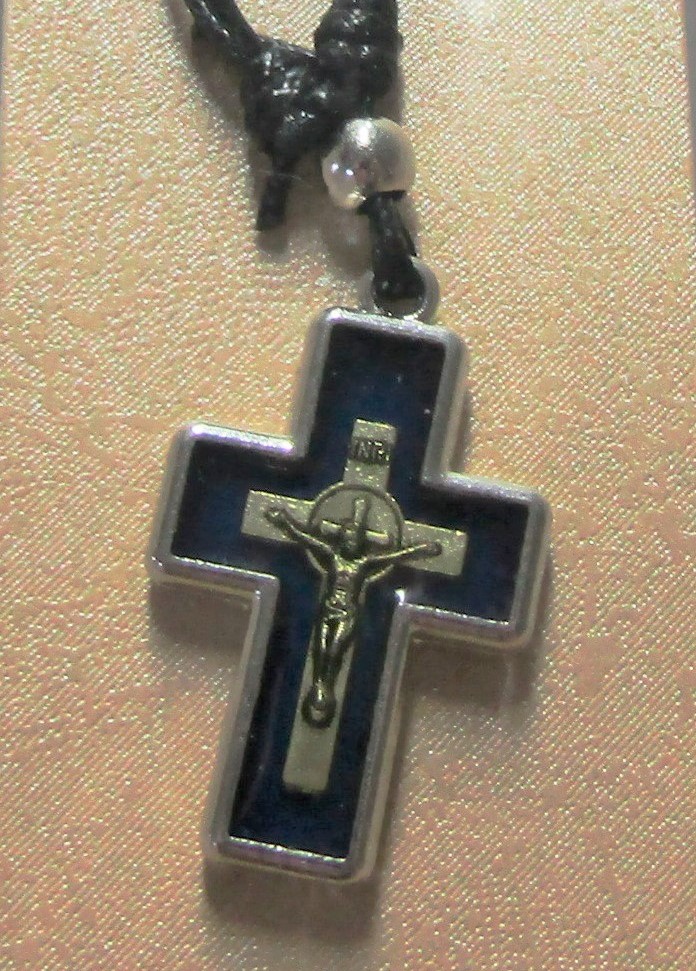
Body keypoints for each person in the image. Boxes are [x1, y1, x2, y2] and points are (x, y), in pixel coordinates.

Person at [265, 497, 441, 728]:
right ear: (341, 539)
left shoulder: (364, 563)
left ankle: (326, 689)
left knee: (335, 651)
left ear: (361, 542)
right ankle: (319, 687)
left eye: (355, 539)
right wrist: (283, 522)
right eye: (347, 538)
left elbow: (397, 556)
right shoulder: (332, 555)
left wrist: (423, 550)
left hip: (347, 614)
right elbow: (303, 538)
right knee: (321, 650)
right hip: (328, 610)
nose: (351, 542)